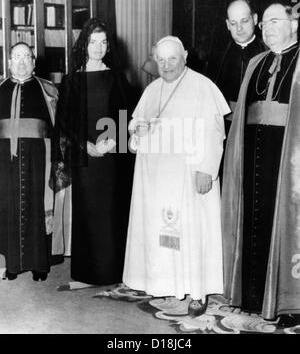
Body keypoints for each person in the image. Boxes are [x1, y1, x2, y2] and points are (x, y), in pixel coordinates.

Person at [123, 36, 230, 316]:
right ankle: (169, 284)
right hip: (159, 181)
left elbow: (214, 133)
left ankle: (197, 291)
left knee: (191, 234)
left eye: (172, 58)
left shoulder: (203, 87)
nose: (167, 65)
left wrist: (207, 169)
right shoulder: (152, 89)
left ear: (184, 56)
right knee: (167, 234)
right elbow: (134, 131)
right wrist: (137, 132)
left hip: (189, 178)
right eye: (161, 60)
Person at [222, 3, 300, 326]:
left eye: (275, 21)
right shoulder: (256, 62)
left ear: (294, 25)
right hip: (253, 154)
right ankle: (253, 297)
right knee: (254, 220)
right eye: (264, 23)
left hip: (288, 159)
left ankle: (290, 305)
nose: (267, 28)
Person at [52, 18, 134, 287]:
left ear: (108, 45)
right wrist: (84, 145)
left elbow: (125, 116)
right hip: (84, 156)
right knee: (87, 212)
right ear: (84, 45)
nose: (98, 47)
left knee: (112, 211)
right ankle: (88, 274)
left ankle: (112, 272)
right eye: (93, 42)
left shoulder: (117, 76)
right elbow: (64, 122)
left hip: (111, 157)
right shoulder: (72, 80)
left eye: (103, 42)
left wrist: (110, 143)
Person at [0, 42, 58, 281]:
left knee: (37, 205)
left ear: (34, 62)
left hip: (38, 156)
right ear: (9, 61)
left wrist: (58, 158)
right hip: (5, 158)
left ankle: (39, 265)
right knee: (9, 206)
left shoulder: (48, 90)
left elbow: (58, 126)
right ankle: (12, 265)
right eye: (17, 57)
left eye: (27, 57)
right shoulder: (0, 88)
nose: (22, 61)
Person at [214, 0, 265, 131]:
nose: (239, 28)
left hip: (259, 129)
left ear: (254, 19)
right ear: (227, 25)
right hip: (226, 129)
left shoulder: (268, 52)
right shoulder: (218, 56)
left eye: (244, 21)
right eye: (233, 23)